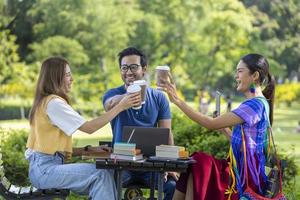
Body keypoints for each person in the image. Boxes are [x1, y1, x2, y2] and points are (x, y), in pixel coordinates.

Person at [159, 53, 275, 200]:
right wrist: (225, 131)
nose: (236, 76)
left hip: (244, 180)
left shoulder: (255, 104)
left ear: (255, 75)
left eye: (240, 71)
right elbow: (246, 147)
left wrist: (177, 100)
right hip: (240, 172)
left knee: (198, 162)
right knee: (197, 164)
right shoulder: (259, 103)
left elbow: (210, 124)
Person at [25, 57, 139, 200]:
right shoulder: (54, 104)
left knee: (107, 174)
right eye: (67, 74)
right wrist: (121, 106)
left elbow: (53, 149)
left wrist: (88, 149)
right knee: (100, 174)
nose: (71, 79)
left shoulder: (47, 101)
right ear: (56, 77)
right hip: (45, 171)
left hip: (44, 168)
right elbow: (90, 128)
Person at [103, 47, 177, 200]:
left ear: (144, 69)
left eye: (133, 67)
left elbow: (166, 133)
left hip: (151, 166)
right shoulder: (113, 94)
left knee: (173, 186)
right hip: (121, 166)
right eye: (124, 68)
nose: (129, 72)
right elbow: (109, 104)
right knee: (102, 184)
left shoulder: (159, 98)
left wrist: (169, 165)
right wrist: (127, 97)